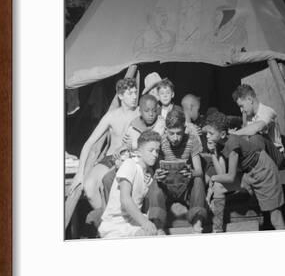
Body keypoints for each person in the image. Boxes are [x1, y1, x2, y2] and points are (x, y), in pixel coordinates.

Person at [205, 113, 285, 230]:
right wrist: (213, 152)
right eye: (207, 133)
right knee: (219, 186)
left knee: (275, 217)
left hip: (263, 171)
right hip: (247, 174)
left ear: (223, 134)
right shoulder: (219, 143)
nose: (207, 136)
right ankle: (217, 229)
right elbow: (221, 173)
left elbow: (231, 177)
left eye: (211, 133)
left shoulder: (233, 144)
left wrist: (213, 178)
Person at [70, 78, 139, 210]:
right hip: (111, 158)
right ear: (120, 95)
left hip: (131, 157)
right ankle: (104, 220)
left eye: (135, 92)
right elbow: (89, 143)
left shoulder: (141, 112)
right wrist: (80, 173)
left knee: (115, 186)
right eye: (130, 93)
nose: (135, 96)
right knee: (89, 187)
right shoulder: (111, 116)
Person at [147, 106, 207, 233]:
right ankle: (159, 227)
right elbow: (155, 167)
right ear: (166, 130)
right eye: (171, 133)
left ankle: (197, 223)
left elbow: (199, 171)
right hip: (167, 188)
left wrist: (191, 172)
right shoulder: (161, 141)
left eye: (178, 133)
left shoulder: (192, 140)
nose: (175, 138)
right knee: (154, 183)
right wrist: (157, 174)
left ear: (184, 129)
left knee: (198, 180)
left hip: (185, 189)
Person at [99, 131, 162, 239]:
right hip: (116, 224)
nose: (155, 155)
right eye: (151, 150)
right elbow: (125, 199)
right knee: (148, 235)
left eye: (157, 151)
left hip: (134, 222)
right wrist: (145, 222)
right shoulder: (129, 164)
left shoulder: (148, 173)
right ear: (139, 152)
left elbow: (143, 204)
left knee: (159, 234)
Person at [231, 84, 285, 167]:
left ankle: (259, 170)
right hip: (262, 155)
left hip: (276, 157)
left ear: (250, 100)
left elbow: (257, 127)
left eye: (242, 106)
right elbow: (245, 138)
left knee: (255, 137)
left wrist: (235, 134)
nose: (241, 110)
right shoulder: (249, 117)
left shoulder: (267, 111)